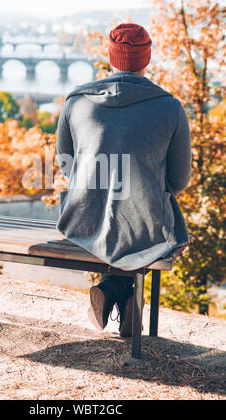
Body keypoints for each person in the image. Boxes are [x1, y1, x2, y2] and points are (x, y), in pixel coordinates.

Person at [56, 23, 192, 336]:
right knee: (148, 226)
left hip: (82, 219)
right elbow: (179, 179)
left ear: (111, 56)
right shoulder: (169, 107)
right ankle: (119, 290)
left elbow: (66, 166)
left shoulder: (75, 101)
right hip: (144, 223)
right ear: (147, 59)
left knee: (125, 223)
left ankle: (114, 288)